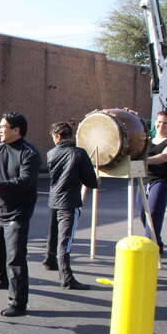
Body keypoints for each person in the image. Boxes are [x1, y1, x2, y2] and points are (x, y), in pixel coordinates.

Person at [0, 112, 40, 317]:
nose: (0, 130)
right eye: (0, 125)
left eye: (4, 126)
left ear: (17, 130)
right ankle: (0, 280)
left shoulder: (29, 153)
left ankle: (18, 303)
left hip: (18, 213)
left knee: (15, 258)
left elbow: (26, 182)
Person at [42, 122, 98, 290]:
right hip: (69, 201)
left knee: (53, 235)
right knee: (65, 240)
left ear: (58, 136)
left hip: (54, 199)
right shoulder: (79, 153)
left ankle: (49, 260)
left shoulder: (51, 153)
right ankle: (66, 277)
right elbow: (91, 181)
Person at [138, 110, 167, 253]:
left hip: (161, 181)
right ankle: (157, 243)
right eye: (159, 122)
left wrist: (145, 161)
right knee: (142, 214)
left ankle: (148, 249)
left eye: (165, 123)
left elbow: (166, 156)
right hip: (143, 180)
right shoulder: (147, 140)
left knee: (153, 214)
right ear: (155, 123)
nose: (161, 125)